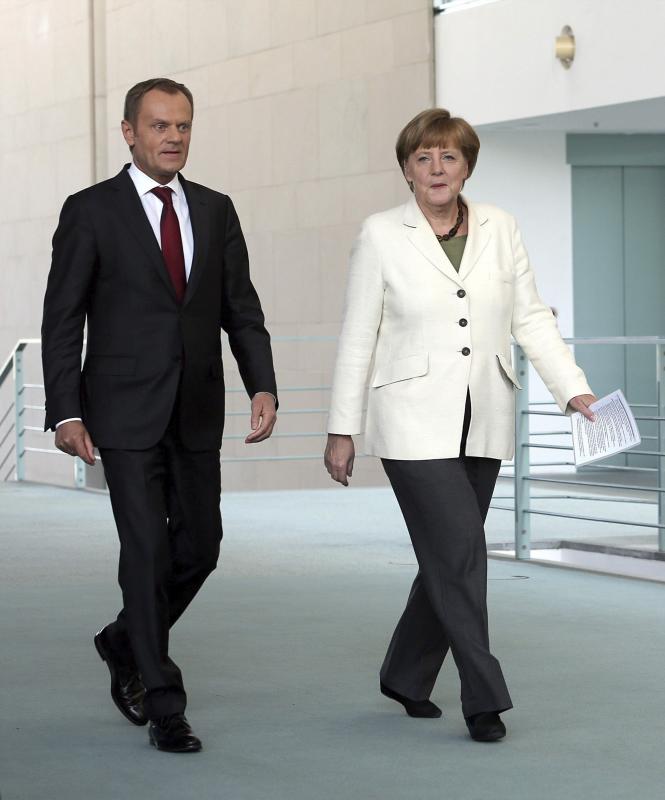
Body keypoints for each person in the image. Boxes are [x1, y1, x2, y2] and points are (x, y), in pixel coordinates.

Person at [324, 108, 596, 742]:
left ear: (467, 165)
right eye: (424, 158)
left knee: (449, 555)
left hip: (485, 416)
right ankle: (484, 695)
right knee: (462, 552)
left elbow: (530, 318)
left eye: (449, 157)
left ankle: (405, 673)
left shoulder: (501, 227)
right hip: (411, 418)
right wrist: (343, 428)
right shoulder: (380, 234)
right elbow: (358, 335)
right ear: (407, 172)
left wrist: (574, 390)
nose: (437, 168)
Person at [41, 78, 278, 753]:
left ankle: (122, 640)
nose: (172, 136)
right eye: (158, 126)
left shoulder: (215, 208)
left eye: (182, 126)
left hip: (197, 409)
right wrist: (65, 413)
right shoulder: (90, 211)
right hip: (121, 411)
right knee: (144, 552)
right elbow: (63, 322)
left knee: (201, 546)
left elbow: (242, 309)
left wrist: (262, 384)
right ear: (129, 132)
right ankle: (162, 698)